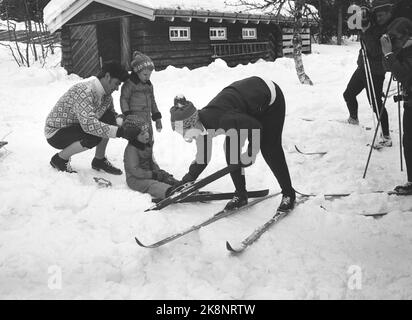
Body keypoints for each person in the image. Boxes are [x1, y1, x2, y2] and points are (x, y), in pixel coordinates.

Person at [170, 76, 296, 212]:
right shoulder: (201, 128)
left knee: (269, 148)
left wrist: (250, 153)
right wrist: (187, 180)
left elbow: (255, 127)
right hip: (244, 108)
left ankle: (289, 193)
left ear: (194, 123)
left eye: (187, 133)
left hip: (269, 98)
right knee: (231, 152)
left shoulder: (221, 120)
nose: (188, 137)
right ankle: (241, 195)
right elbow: (203, 157)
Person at [45, 62, 138, 174]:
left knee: (108, 117)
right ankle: (59, 159)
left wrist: (124, 122)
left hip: (76, 126)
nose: (117, 88)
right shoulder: (84, 91)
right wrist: (120, 132)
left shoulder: (106, 97)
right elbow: (89, 125)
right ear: (107, 76)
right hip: (56, 132)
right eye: (116, 83)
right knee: (94, 136)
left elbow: (112, 117)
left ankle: (99, 160)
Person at [343, 0, 394, 147]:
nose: (362, 23)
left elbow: (376, 51)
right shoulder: (363, 29)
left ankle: (386, 136)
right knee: (348, 94)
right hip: (363, 69)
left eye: (364, 20)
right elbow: (364, 49)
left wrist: (366, 32)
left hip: (376, 72)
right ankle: (353, 118)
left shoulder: (378, 31)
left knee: (376, 104)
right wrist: (360, 61)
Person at [380, 17, 412, 194]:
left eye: (397, 38)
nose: (395, 42)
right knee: (409, 142)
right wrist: (388, 54)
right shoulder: (404, 50)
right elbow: (389, 68)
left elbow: (404, 74)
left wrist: (389, 54)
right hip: (409, 103)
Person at [123, 115, 180, 200]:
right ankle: (168, 191)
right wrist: (152, 175)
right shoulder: (131, 150)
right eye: (142, 134)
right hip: (135, 179)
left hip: (147, 173)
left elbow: (152, 161)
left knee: (162, 174)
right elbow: (134, 170)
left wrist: (158, 173)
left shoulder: (146, 145)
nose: (147, 135)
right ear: (134, 137)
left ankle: (178, 185)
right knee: (151, 184)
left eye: (147, 131)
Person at [120, 51, 162, 143]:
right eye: (145, 74)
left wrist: (157, 116)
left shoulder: (149, 85)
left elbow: (152, 101)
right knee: (137, 139)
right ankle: (134, 156)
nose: (148, 77)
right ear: (137, 71)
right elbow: (124, 99)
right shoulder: (129, 84)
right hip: (135, 118)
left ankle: (148, 155)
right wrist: (127, 114)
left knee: (149, 138)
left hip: (147, 117)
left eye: (150, 75)